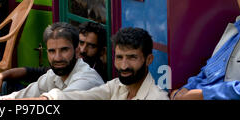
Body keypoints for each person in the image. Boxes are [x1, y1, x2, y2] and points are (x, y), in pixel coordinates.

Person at [0, 20, 108, 100]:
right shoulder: (53, 75)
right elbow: (25, 93)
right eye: (52, 51)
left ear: (76, 51)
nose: (57, 58)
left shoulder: (88, 78)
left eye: (64, 50)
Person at [39, 27, 169, 100]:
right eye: (119, 57)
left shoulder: (157, 97)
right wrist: (47, 99)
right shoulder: (116, 86)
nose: (123, 66)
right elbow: (80, 97)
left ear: (149, 60)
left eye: (132, 58)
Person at [171, 0, 240, 100]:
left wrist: (201, 94)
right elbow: (210, 69)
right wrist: (186, 89)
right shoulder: (233, 31)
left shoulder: (216, 17)